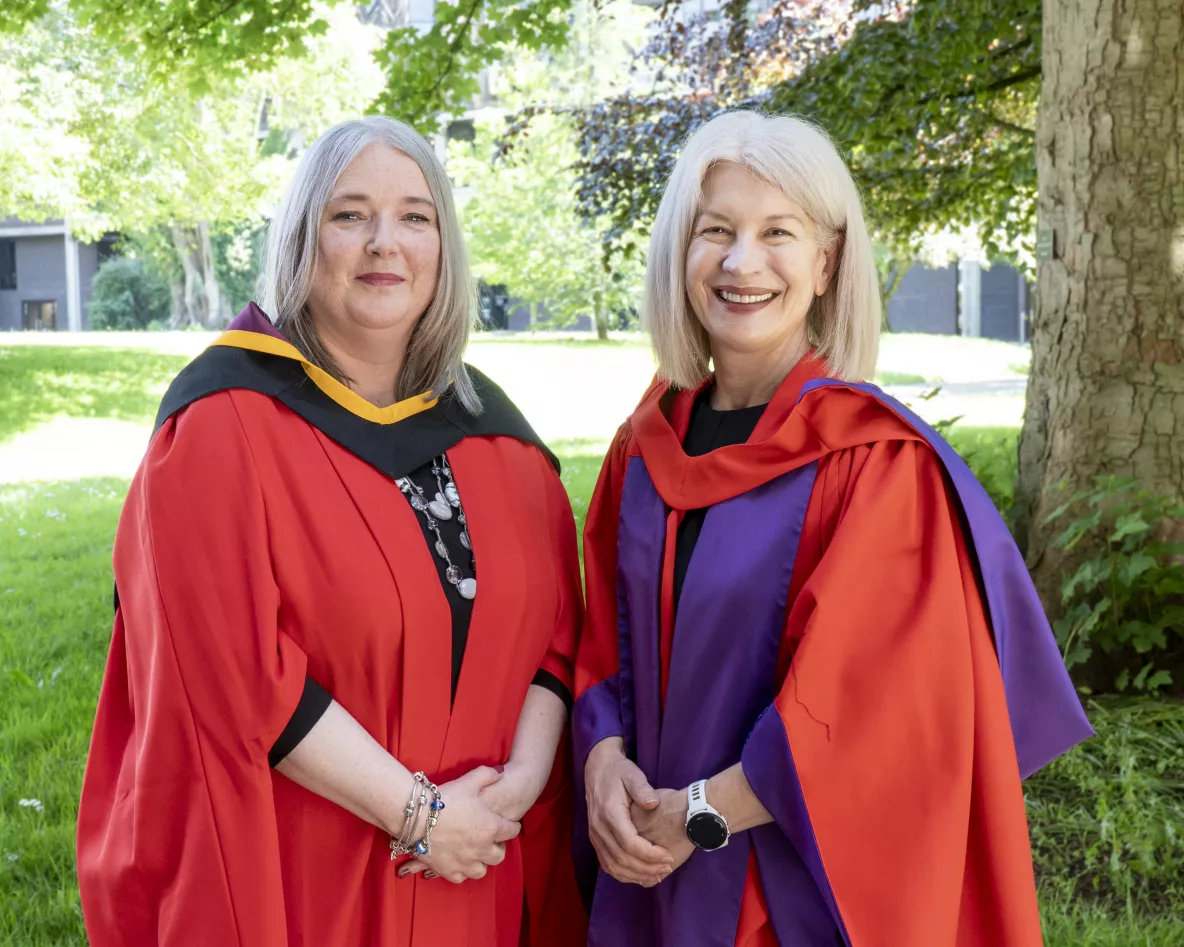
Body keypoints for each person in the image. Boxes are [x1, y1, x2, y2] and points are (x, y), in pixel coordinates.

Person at [573, 110, 1093, 946]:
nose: (743, 262)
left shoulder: (875, 464)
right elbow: (600, 643)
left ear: (828, 262)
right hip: (644, 861)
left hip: (787, 888)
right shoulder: (643, 447)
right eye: (716, 231)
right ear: (681, 253)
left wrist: (699, 815)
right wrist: (603, 764)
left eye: (778, 231)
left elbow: (868, 713)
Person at [76, 116, 586, 947]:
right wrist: (422, 814)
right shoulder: (223, 425)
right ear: (302, 239)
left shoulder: (502, 438)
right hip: (314, 878)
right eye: (350, 215)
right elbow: (232, 672)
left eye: (415, 217)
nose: (386, 242)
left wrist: (517, 788)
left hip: (483, 863)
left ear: (444, 245)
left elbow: (558, 641)